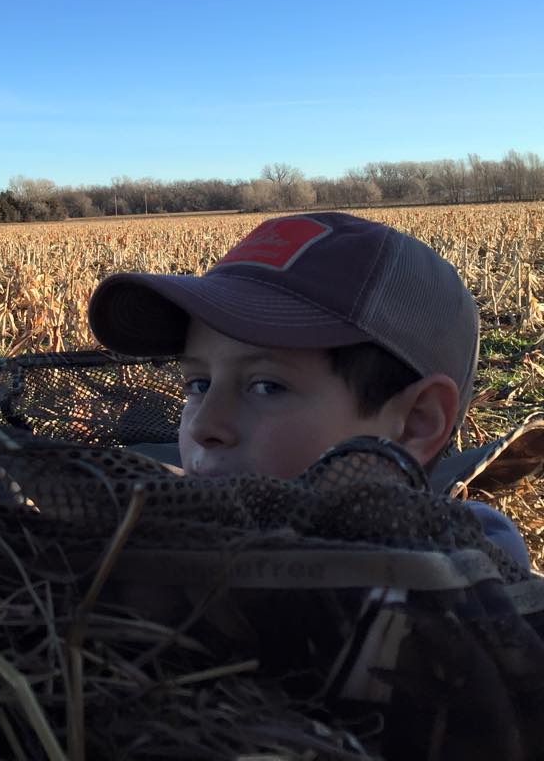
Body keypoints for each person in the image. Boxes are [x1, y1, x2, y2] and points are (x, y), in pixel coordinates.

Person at [88, 211, 531, 570]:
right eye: (198, 384)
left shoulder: (460, 563)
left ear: (415, 423)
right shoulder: (155, 520)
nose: (204, 425)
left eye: (266, 386)